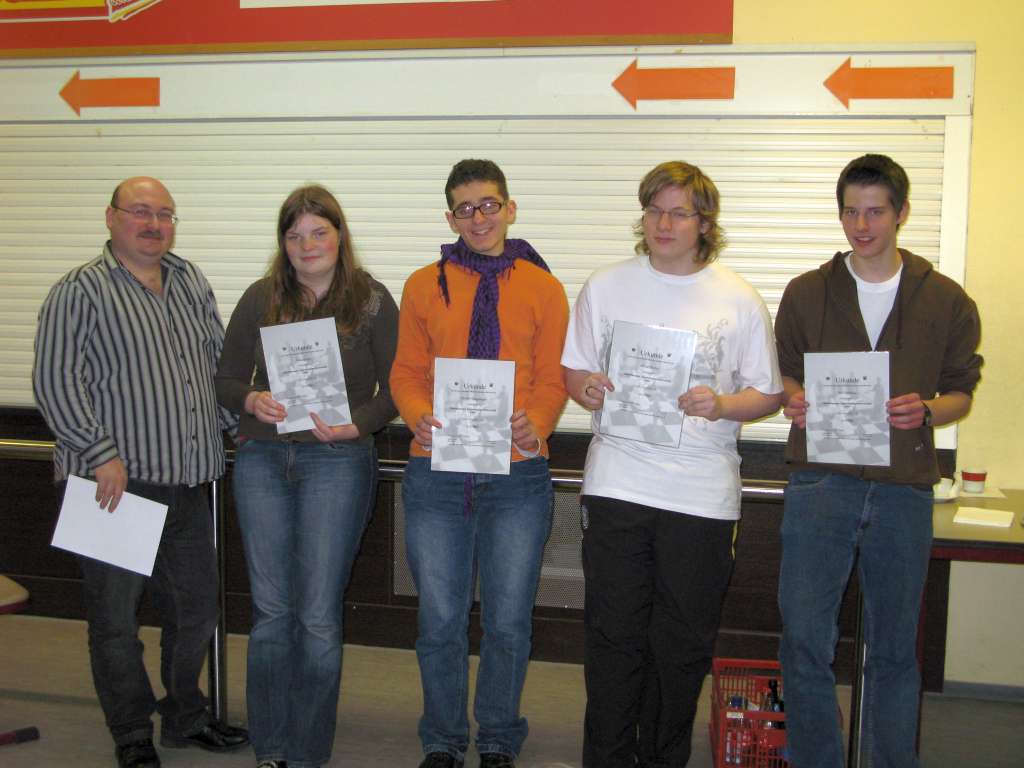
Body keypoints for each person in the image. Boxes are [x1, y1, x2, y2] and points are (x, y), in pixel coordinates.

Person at [561, 161, 783, 768]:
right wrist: (586, 388)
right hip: (618, 482)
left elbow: (768, 393)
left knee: (681, 645)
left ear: (704, 223)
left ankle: (663, 759)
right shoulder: (606, 285)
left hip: (700, 495)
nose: (663, 223)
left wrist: (722, 404)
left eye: (679, 212)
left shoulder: (737, 297)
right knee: (612, 636)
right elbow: (574, 368)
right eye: (654, 210)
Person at [774, 154, 983, 768]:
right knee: (804, 641)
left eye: (874, 212)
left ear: (901, 213)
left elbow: (961, 391)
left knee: (893, 649)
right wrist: (793, 398)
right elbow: (783, 372)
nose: (861, 226)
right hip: (821, 484)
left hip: (902, 489)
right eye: (850, 212)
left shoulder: (944, 298)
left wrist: (929, 410)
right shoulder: (808, 291)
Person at [32, 177, 249, 768]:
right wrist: (99, 452)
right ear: (111, 217)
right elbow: (55, 380)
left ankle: (184, 717)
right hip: (114, 486)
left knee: (197, 610)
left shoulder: (189, 280)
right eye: (140, 212)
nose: (154, 224)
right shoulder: (79, 290)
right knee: (114, 621)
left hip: (189, 480)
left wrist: (241, 426)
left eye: (165, 214)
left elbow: (216, 365)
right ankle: (131, 732)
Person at [390, 159, 569, 768]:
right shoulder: (423, 285)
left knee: (508, 621)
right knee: (439, 619)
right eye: (465, 209)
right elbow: (405, 372)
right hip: (436, 469)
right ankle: (442, 739)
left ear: (509, 209)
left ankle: (496, 736)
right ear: (450, 219)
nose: (479, 218)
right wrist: (417, 414)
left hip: (518, 474)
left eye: (489, 205)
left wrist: (536, 423)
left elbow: (552, 378)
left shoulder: (544, 288)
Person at [215, 184, 398, 768]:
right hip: (264, 460)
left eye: (319, 232)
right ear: (283, 243)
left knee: (317, 615)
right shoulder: (260, 297)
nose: (307, 244)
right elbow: (225, 379)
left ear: (339, 236)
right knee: (272, 612)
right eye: (294, 235)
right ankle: (270, 747)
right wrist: (252, 399)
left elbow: (399, 387)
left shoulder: (372, 300)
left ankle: (309, 750)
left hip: (338, 461)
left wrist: (357, 424)